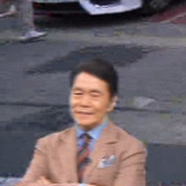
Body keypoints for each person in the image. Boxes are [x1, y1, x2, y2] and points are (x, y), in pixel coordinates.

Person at [17, 58, 146, 186]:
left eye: (94, 95)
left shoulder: (130, 149)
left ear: (111, 102)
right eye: (78, 94)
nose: (84, 103)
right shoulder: (48, 145)